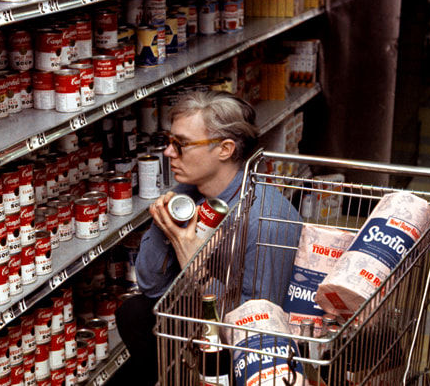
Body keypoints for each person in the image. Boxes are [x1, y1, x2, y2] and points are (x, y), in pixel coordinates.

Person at [115, 90, 302, 386]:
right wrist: (167, 230)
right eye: (169, 141)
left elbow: (256, 331)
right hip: (195, 326)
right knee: (134, 313)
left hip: (243, 351)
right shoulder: (187, 195)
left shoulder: (267, 221)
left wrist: (196, 267)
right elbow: (151, 287)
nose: (168, 153)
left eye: (181, 144)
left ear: (225, 149)